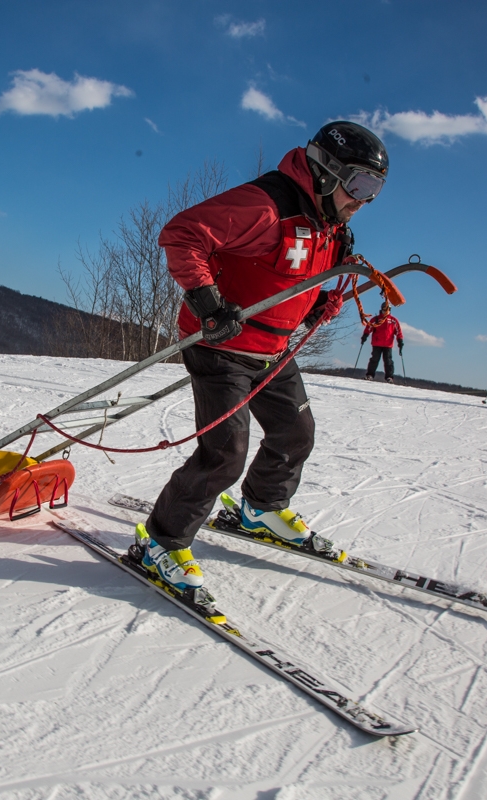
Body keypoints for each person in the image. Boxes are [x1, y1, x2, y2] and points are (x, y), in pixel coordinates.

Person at [137, 120, 388, 592]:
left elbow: (286, 279)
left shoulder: (329, 225)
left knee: (296, 432)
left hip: (271, 350)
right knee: (225, 454)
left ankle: (261, 507)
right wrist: (208, 303)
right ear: (327, 172)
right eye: (360, 184)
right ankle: (161, 542)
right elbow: (182, 234)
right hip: (221, 346)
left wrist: (317, 303)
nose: (364, 199)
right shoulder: (266, 205)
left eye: (374, 190)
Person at [361, 301, 403, 382]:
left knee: (388, 361)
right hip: (377, 343)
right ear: (381, 309)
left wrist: (400, 341)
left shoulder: (393, 321)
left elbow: (398, 332)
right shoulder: (376, 319)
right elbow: (369, 327)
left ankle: (389, 377)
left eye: (387, 309)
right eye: (384, 309)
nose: (385, 311)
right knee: (374, 359)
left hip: (388, 344)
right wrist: (365, 336)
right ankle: (370, 375)